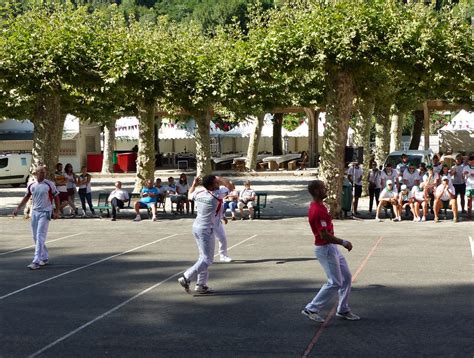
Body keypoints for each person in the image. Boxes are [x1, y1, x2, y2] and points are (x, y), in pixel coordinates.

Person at [301, 180, 360, 323]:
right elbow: (324, 235)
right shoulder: (317, 210)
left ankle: (343, 309)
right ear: (316, 191)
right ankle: (311, 308)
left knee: (346, 278)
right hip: (325, 248)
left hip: (331, 248)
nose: (326, 190)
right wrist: (344, 242)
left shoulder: (319, 206)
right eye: (323, 188)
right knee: (335, 282)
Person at [178, 175, 232, 295]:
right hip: (206, 229)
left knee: (203, 257)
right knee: (207, 260)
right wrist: (221, 178)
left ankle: (201, 285)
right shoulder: (217, 194)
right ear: (213, 185)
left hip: (197, 227)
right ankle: (186, 277)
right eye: (216, 181)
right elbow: (230, 186)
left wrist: (193, 184)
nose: (218, 182)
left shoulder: (199, 192)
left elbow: (189, 195)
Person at [12, 165, 60, 270]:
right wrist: (17, 208)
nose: (43, 174)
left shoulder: (49, 184)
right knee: (35, 236)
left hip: (45, 212)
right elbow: (26, 197)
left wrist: (57, 211)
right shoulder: (31, 185)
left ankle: (36, 261)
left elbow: (56, 197)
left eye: (44, 172)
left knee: (40, 235)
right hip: (35, 213)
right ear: (36, 173)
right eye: (40, 172)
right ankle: (44, 256)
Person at [214, 184, 233, 263]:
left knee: (222, 238)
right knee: (209, 240)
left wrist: (223, 217)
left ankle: (223, 255)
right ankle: (206, 257)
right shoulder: (216, 196)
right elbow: (231, 187)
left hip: (217, 220)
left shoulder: (220, 197)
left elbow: (219, 209)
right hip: (209, 222)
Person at [463, 155, 474, 219]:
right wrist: (464, 174)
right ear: (469, 161)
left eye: (473, 162)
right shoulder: (466, 167)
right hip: (469, 186)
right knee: (469, 200)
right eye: (471, 162)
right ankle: (469, 214)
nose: (473, 163)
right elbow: (462, 177)